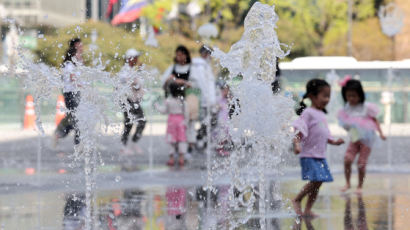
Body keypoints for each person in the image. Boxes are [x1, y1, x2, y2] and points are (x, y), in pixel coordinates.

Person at [292, 78, 344, 217]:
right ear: (312, 96)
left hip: (320, 155)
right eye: (324, 96)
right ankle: (297, 199)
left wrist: (334, 141)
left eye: (329, 96)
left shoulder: (321, 114)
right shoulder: (308, 113)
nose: (327, 99)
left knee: (318, 183)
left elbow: (325, 134)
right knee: (316, 180)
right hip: (308, 154)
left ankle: (308, 209)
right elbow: (298, 128)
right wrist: (296, 144)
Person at [338, 77, 386, 194]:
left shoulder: (367, 107)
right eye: (349, 96)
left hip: (367, 140)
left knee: (361, 163)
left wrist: (381, 133)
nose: (351, 98)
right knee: (347, 159)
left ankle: (360, 185)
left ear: (360, 95)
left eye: (354, 96)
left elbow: (375, 121)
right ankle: (348, 183)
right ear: (345, 96)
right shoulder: (346, 108)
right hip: (354, 139)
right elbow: (346, 123)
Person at [161, 45, 198, 155]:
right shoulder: (172, 68)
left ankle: (190, 145)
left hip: (189, 98)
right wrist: (170, 81)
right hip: (176, 100)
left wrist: (184, 82)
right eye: (177, 55)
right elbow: (164, 83)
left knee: (189, 123)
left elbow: (196, 84)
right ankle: (178, 146)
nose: (179, 57)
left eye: (181, 55)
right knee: (177, 124)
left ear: (186, 55)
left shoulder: (192, 68)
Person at [54, 38, 83, 146]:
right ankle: (61, 134)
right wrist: (84, 86)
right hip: (70, 94)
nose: (82, 49)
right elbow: (73, 78)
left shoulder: (75, 65)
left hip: (74, 93)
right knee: (76, 118)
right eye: (80, 46)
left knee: (75, 118)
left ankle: (61, 134)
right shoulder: (69, 65)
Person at [119, 48, 146, 154]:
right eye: (135, 57)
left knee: (141, 121)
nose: (137, 60)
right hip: (127, 100)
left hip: (134, 100)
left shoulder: (132, 70)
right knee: (129, 122)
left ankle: (133, 143)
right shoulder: (124, 71)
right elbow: (134, 85)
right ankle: (124, 145)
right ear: (129, 59)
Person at [155, 83, 189, 167]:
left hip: (171, 122)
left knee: (171, 141)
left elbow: (164, 111)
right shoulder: (182, 101)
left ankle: (171, 159)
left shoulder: (168, 101)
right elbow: (186, 113)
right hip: (181, 121)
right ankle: (181, 158)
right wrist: (186, 123)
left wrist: (157, 106)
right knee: (182, 140)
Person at [191, 45, 217, 150]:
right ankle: (200, 139)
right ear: (205, 54)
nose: (211, 57)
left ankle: (202, 139)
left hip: (208, 100)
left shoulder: (205, 65)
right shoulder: (200, 66)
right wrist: (210, 100)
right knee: (208, 121)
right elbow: (202, 84)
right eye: (210, 54)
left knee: (210, 121)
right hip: (205, 100)